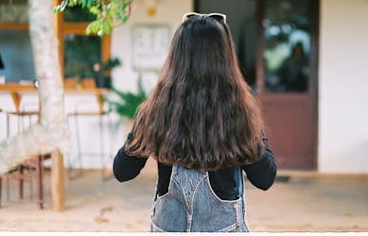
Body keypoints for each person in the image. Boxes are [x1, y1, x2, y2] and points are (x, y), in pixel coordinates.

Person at [113, 12, 277, 232]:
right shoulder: (238, 113)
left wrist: (142, 130)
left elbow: (123, 171)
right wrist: (252, 129)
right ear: (226, 59)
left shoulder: (156, 111)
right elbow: (264, 178)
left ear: (176, 57)